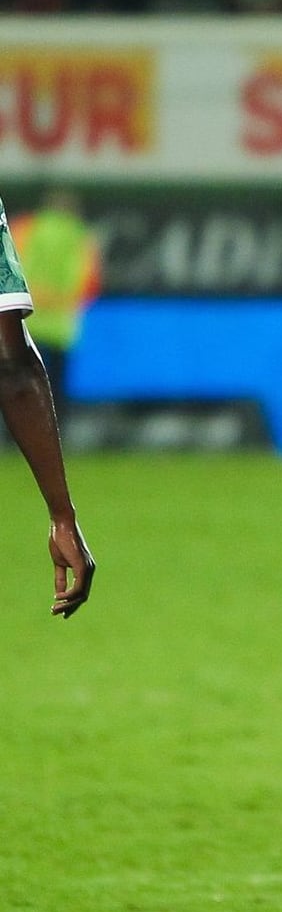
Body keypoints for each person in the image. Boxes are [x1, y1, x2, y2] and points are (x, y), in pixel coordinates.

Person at [0, 196, 95, 617]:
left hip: (41, 324)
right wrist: (61, 514)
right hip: (53, 324)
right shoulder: (78, 237)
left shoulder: (29, 228)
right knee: (50, 395)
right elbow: (14, 371)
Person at [10, 188, 101, 430]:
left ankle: (14, 438)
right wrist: (62, 300)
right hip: (61, 327)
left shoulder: (26, 228)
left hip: (24, 320)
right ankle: (55, 436)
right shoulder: (80, 236)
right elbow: (90, 283)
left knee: (18, 384)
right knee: (54, 389)